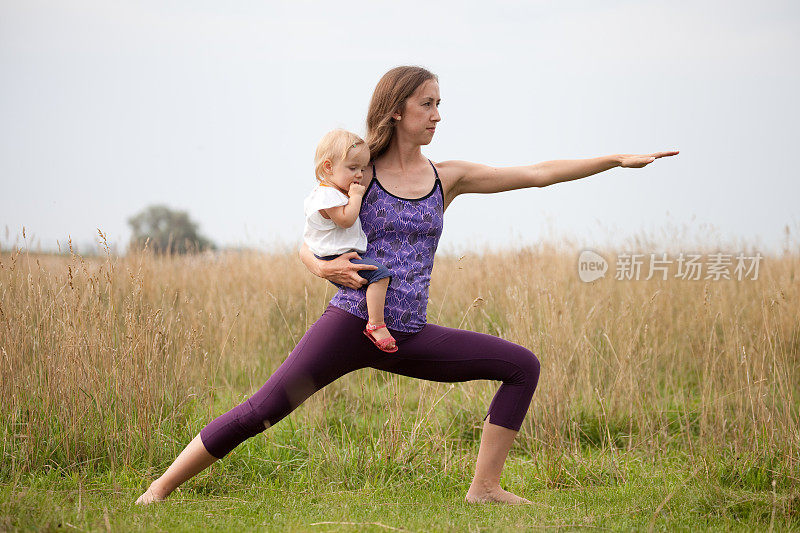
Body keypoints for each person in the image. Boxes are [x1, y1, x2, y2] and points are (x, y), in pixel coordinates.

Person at [136, 65, 678, 506]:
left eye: (440, 105)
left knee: (522, 366)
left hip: (408, 332)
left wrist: (613, 161)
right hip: (352, 322)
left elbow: (536, 173)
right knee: (264, 409)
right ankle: (159, 489)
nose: (438, 115)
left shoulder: (449, 177)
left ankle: (484, 489)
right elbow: (311, 233)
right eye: (428, 104)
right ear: (396, 110)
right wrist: (321, 269)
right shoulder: (359, 171)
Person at [304, 129, 397, 352]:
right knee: (380, 275)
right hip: (335, 256)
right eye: (352, 168)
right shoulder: (328, 196)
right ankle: (376, 324)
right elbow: (346, 220)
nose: (359, 175)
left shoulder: (331, 192)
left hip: (335, 253)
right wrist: (356, 197)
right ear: (328, 167)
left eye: (362, 169)